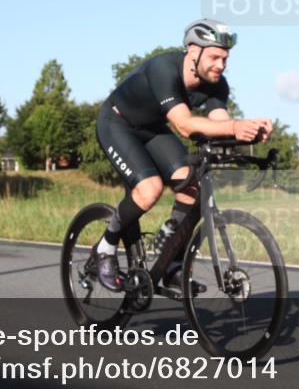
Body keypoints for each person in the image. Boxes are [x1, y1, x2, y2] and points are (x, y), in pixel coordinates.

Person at [88, 19, 273, 292]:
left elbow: (219, 121)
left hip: (152, 129)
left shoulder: (217, 84)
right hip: (117, 123)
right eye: (214, 57)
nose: (220, 65)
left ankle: (172, 264)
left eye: (225, 58)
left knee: (191, 187)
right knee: (149, 190)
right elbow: (185, 125)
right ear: (193, 51)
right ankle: (104, 249)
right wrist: (235, 127)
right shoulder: (165, 69)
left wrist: (248, 133)